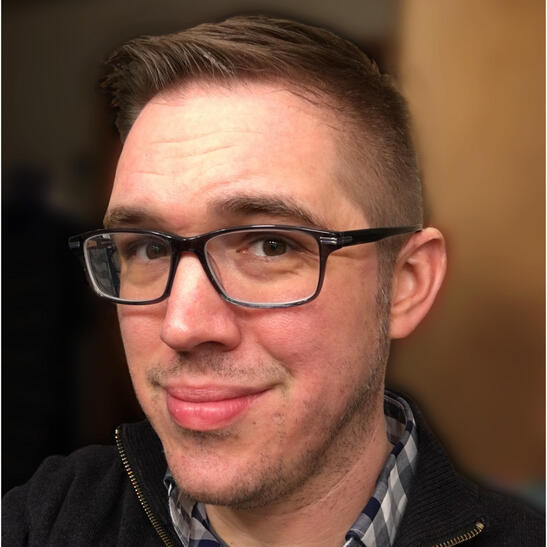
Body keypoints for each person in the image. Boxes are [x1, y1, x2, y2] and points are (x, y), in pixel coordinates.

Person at [3, 15, 543, 547]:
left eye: (269, 245)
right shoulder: (41, 522)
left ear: (406, 283)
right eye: (149, 248)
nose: (182, 326)